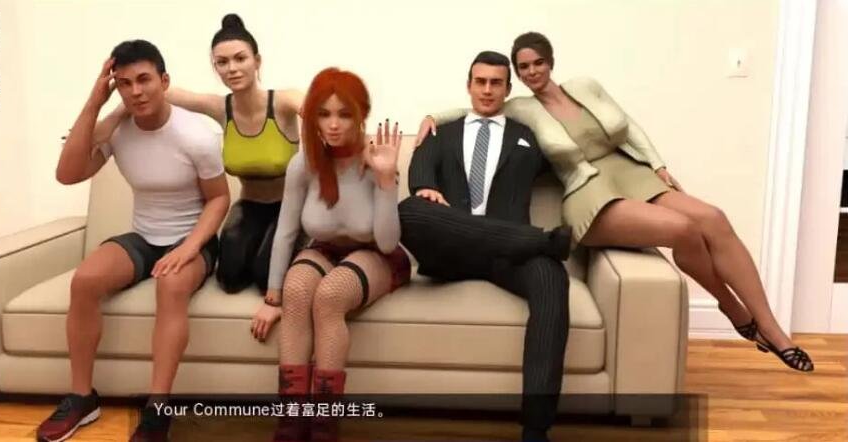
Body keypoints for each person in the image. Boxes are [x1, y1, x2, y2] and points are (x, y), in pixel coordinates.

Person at [417, 32, 813, 372]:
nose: (532, 71)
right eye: (524, 68)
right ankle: (732, 308)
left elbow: (630, 127)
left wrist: (658, 165)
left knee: (714, 219)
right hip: (588, 191)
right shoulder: (521, 108)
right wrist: (432, 116)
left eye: (538, 63)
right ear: (516, 77)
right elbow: (477, 108)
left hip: (630, 172)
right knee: (683, 229)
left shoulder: (585, 86)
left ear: (551, 62)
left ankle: (771, 328)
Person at [38, 40, 230, 442]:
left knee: (171, 285)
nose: (136, 91)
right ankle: (82, 398)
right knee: (84, 281)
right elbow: (67, 174)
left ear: (164, 81)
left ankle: (157, 409)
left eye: (144, 80)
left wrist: (189, 248)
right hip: (143, 236)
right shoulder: (117, 130)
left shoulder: (196, 135)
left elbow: (219, 199)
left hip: (192, 237)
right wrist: (96, 102)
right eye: (124, 83)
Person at [93, 14, 302, 341]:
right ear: (215, 67)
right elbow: (151, 91)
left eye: (240, 59)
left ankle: (288, 257)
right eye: (222, 62)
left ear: (257, 61)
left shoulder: (284, 103)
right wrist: (111, 116)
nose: (232, 68)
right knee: (230, 279)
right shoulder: (220, 108)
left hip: (288, 208)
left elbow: (325, 108)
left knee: (265, 277)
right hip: (250, 207)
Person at [399, 51, 572, 442]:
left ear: (508, 90)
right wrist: (426, 187)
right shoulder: (440, 133)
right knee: (409, 210)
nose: (488, 90)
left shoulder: (530, 136)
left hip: (508, 257)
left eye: (496, 83)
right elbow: (419, 174)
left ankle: (536, 429)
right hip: (452, 251)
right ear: (469, 86)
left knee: (552, 279)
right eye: (480, 81)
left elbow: (575, 149)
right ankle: (541, 240)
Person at [267, 67, 409, 441]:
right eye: (324, 114)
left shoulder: (377, 159)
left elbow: (388, 243)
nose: (333, 125)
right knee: (297, 290)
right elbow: (286, 231)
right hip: (325, 249)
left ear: (361, 115)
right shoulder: (304, 163)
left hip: (376, 252)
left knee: (329, 296)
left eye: (344, 114)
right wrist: (273, 295)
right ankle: (291, 419)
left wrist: (386, 179)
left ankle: (324, 424)